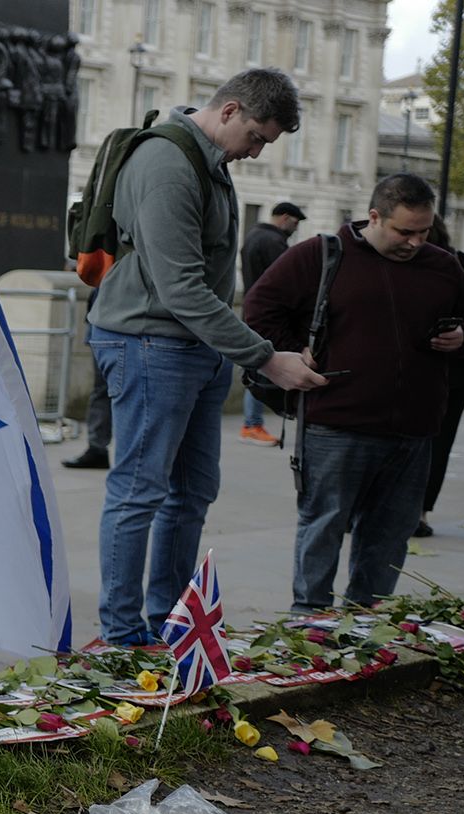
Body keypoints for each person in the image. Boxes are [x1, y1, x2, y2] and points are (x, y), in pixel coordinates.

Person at [87, 68, 327, 646]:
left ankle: (168, 623)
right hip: (150, 344)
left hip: (191, 347)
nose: (257, 152)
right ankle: (122, 636)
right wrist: (267, 359)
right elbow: (181, 289)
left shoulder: (208, 161)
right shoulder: (168, 162)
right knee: (139, 491)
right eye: (258, 138)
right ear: (231, 111)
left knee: (192, 491)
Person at [244, 174, 464, 612]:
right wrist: (293, 354)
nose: (415, 241)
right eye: (404, 231)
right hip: (338, 421)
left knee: (390, 533)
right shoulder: (319, 255)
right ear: (374, 217)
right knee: (324, 524)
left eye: (423, 231)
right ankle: (309, 620)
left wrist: (463, 336)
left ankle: (366, 621)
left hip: (414, 426)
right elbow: (258, 309)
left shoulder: (443, 265)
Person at [416, 215, 464, 536]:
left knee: (434, 442)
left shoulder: (455, 263)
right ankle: (419, 512)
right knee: (436, 443)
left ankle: (417, 511)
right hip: (446, 370)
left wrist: (461, 333)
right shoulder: (458, 261)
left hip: (447, 370)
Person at [237, 201, 306, 447]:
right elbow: (289, 283)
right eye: (295, 223)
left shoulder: (253, 236)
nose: (294, 229)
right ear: (285, 218)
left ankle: (251, 423)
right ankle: (252, 424)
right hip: (271, 317)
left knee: (256, 367)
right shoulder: (274, 242)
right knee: (263, 368)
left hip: (251, 311)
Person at [63, 287, 111, 469]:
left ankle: (98, 447)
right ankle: (97, 448)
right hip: (102, 315)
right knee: (102, 390)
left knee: (106, 391)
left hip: (115, 315)